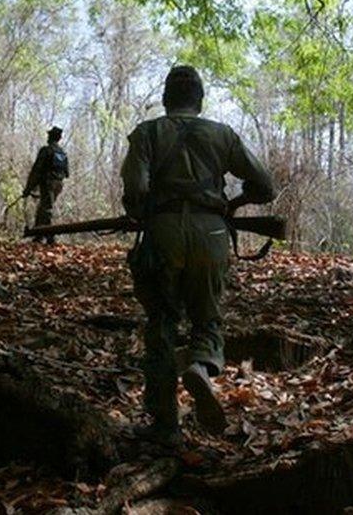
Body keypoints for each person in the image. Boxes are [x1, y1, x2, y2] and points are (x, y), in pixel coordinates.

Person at [121, 65, 275, 445]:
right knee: (208, 317)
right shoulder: (223, 134)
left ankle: (164, 425)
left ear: (165, 99)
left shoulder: (148, 132)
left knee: (161, 324)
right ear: (200, 100)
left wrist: (143, 210)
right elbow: (265, 185)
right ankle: (201, 364)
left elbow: (135, 190)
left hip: (165, 233)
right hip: (212, 233)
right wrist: (233, 203)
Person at [24, 126, 69, 244]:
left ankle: (50, 237)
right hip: (59, 184)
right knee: (43, 207)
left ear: (51, 137)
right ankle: (38, 235)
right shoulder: (62, 152)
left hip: (48, 183)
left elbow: (36, 170)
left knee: (46, 208)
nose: (47, 137)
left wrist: (28, 188)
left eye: (49, 135)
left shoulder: (46, 150)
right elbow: (67, 173)